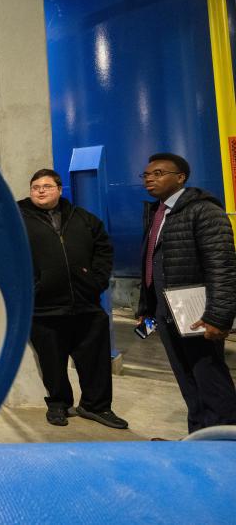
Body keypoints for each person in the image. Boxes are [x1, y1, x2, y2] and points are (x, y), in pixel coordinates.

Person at [18, 169, 127, 429]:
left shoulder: (83, 219)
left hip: (86, 304)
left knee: (95, 361)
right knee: (52, 363)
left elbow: (103, 248)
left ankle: (96, 406)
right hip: (43, 307)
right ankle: (58, 405)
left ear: (59, 189)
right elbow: (5, 254)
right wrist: (31, 286)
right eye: (35, 187)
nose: (40, 191)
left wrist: (97, 281)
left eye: (46, 186)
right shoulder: (17, 218)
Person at [137, 152, 236, 433]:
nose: (149, 179)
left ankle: (225, 442)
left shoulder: (203, 210)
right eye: (146, 175)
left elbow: (223, 266)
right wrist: (146, 310)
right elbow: (151, 264)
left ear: (180, 178)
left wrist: (218, 316)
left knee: (209, 378)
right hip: (166, 311)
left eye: (158, 173)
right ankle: (198, 437)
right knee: (187, 378)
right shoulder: (157, 212)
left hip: (196, 313)